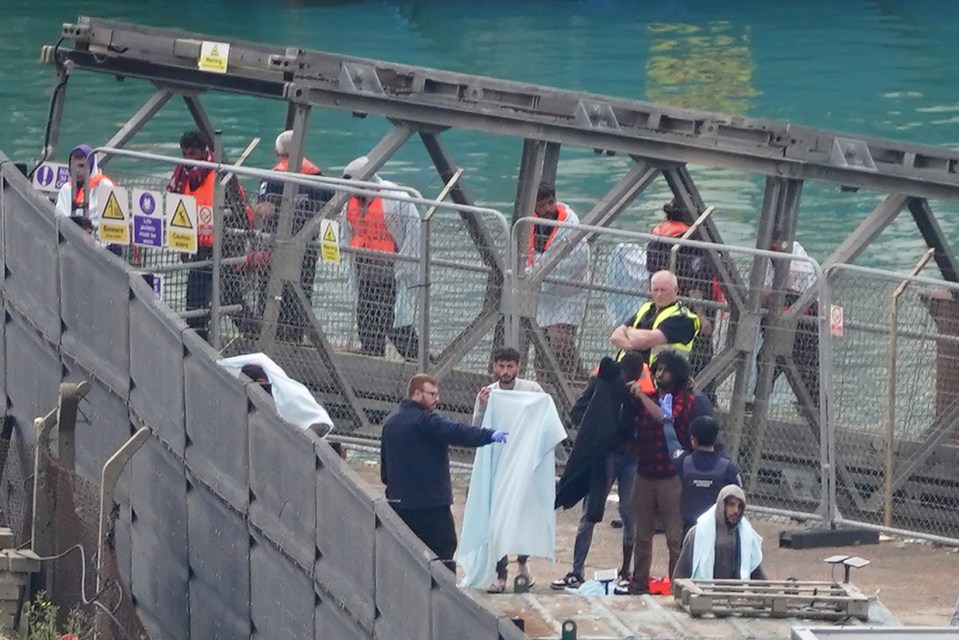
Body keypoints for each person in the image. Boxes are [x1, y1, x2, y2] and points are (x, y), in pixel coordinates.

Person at [380, 374, 507, 573]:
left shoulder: (390, 423)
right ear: (417, 393)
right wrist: (489, 435)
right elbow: (456, 432)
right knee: (444, 549)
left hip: (400, 502)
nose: (437, 399)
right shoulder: (426, 421)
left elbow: (385, 470)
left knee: (407, 553)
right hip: (431, 503)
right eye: (432, 394)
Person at [551, 351, 642, 591]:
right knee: (593, 512)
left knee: (625, 512)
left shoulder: (638, 392)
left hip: (628, 456)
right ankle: (580, 570)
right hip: (608, 456)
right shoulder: (604, 385)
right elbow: (579, 412)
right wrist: (600, 430)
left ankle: (623, 571)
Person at [617, 349, 695, 595]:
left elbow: (665, 417)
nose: (660, 374)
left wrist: (642, 397)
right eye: (657, 369)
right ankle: (639, 582)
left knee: (674, 537)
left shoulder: (683, 399)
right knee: (643, 535)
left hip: (671, 476)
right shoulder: (646, 396)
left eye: (665, 370)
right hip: (645, 473)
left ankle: (677, 584)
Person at [166, 129, 253, 342]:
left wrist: (233, 246)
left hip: (221, 246)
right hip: (195, 245)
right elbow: (176, 205)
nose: (187, 159)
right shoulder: (181, 175)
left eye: (192, 154)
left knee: (229, 295)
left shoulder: (222, 174)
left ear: (204, 151)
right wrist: (182, 245)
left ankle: (252, 333)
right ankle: (198, 339)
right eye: (184, 154)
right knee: (195, 298)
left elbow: (240, 210)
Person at [248, 130, 332, 342]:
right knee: (302, 291)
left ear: (277, 151)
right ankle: (295, 335)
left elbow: (265, 209)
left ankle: (271, 333)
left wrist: (254, 209)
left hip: (275, 244)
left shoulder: (275, 175)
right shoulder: (316, 175)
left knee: (270, 290)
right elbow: (332, 207)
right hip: (307, 245)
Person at [472, 347, 545, 593]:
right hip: (498, 466)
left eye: (510, 367)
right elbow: (476, 428)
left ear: (518, 367)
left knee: (525, 515)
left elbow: (545, 419)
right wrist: (483, 407)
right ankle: (500, 574)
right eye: (501, 367)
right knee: (497, 520)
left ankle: (523, 562)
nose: (505, 372)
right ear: (494, 367)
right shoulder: (488, 393)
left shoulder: (532, 390)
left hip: (524, 463)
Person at [341, 156, 423, 361]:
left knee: (394, 321)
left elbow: (414, 232)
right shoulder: (350, 202)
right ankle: (372, 354)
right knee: (366, 317)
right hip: (365, 271)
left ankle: (418, 359)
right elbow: (347, 232)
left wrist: (406, 268)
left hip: (390, 273)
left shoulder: (394, 198)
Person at [528, 183, 591, 381]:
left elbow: (577, 260)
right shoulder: (529, 223)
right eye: (542, 205)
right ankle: (545, 384)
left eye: (550, 203)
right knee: (541, 348)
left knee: (560, 343)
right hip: (542, 294)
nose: (547, 209)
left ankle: (577, 383)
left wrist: (539, 273)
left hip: (567, 292)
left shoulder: (571, 225)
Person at [757, 239, 820, 409]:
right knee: (764, 362)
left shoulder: (797, 257)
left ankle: (816, 410)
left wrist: (774, 293)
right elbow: (762, 292)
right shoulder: (766, 257)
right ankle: (758, 402)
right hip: (778, 323)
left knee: (808, 371)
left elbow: (801, 290)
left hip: (805, 323)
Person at [609, 270, 700, 376]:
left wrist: (629, 331)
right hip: (626, 375)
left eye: (663, 290)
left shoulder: (683, 318)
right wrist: (634, 344)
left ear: (676, 290)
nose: (659, 294)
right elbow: (615, 336)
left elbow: (644, 340)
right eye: (655, 290)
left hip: (658, 381)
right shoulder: (646, 308)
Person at [672, 484, 766, 582]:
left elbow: (755, 571)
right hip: (703, 593)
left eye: (740, 507)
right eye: (731, 505)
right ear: (722, 505)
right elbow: (682, 572)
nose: (736, 510)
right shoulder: (698, 533)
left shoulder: (746, 536)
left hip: (735, 594)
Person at [675, 416, 741, 535]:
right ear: (716, 438)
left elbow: (672, 446)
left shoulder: (683, 462)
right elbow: (739, 495)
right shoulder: (728, 467)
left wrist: (667, 423)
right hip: (718, 528)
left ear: (693, 439)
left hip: (689, 528)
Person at [55, 144, 116, 222]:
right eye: (73, 165)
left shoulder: (105, 186)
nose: (77, 170)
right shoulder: (66, 189)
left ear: (91, 166)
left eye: (82, 166)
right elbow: (59, 217)